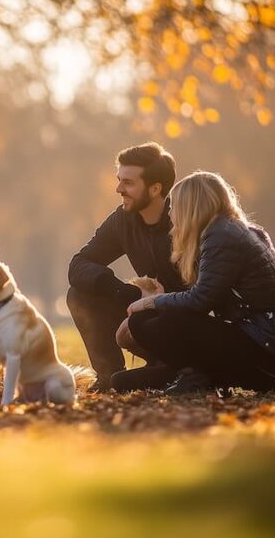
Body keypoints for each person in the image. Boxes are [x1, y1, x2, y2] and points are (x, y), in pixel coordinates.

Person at [119, 171, 275, 395]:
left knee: (151, 320)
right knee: (122, 379)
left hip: (268, 352)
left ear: (190, 207)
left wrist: (153, 302)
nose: (170, 212)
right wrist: (164, 298)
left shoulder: (222, 235)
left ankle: (197, 377)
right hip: (266, 348)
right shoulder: (227, 231)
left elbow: (201, 301)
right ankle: (195, 375)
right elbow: (209, 295)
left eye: (174, 205)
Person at [66, 142, 185, 392]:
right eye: (119, 180)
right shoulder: (123, 219)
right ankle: (108, 376)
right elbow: (78, 265)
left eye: (128, 183)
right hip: (145, 313)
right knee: (80, 293)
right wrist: (126, 293)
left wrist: (160, 301)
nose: (119, 189)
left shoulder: (186, 221)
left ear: (155, 189)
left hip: (183, 321)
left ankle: (176, 370)